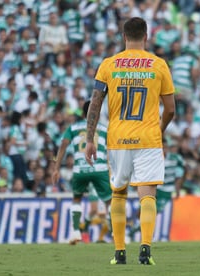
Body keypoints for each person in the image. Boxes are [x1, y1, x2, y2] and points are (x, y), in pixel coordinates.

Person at [84, 17, 175, 265]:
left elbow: (95, 102)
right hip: (148, 137)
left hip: (118, 138)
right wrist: (160, 128)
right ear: (146, 36)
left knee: (119, 193)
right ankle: (145, 250)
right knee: (147, 195)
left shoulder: (108, 65)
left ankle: (119, 252)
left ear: (124, 37)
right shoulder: (158, 65)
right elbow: (170, 108)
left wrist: (89, 139)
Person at [52, 100, 112, 245]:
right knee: (110, 202)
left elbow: (63, 146)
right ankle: (118, 233)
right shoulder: (104, 129)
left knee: (77, 199)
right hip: (100, 169)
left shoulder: (73, 128)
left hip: (80, 169)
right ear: (96, 113)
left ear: (83, 113)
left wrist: (56, 168)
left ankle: (75, 232)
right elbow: (111, 151)